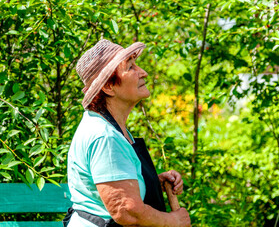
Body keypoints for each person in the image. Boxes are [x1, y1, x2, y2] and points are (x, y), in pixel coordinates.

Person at [64, 39, 191, 227]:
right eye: (130, 67)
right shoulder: (105, 136)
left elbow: (110, 187)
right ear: (108, 87)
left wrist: (152, 182)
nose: (143, 72)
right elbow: (127, 212)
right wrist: (173, 221)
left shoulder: (110, 127)